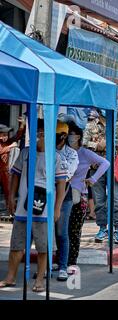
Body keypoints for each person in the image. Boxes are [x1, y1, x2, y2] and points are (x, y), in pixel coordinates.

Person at [0, 119, 67, 292]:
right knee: (17, 244)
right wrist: (11, 198)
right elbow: (15, 175)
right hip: (23, 207)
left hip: (44, 210)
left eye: (42, 135)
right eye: (37, 134)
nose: (38, 138)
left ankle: (39, 279)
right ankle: (10, 277)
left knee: (43, 246)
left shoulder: (56, 157)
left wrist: (57, 207)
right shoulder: (26, 153)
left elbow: (61, 184)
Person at [66, 124, 110, 267]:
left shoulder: (84, 153)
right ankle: (60, 261)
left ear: (78, 137)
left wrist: (93, 179)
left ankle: (71, 261)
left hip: (79, 195)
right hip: (62, 194)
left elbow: (105, 163)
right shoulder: (62, 151)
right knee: (60, 230)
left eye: (71, 134)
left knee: (74, 230)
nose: (69, 137)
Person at [55, 121, 79, 281]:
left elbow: (67, 177)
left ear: (63, 136)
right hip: (44, 195)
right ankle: (49, 263)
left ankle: (63, 266)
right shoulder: (45, 151)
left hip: (64, 197)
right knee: (46, 233)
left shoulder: (71, 154)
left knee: (61, 232)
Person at [82, 109, 108, 241]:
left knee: (117, 200)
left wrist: (109, 144)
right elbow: (84, 142)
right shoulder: (90, 126)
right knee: (99, 200)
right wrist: (98, 145)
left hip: (115, 167)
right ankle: (102, 228)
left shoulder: (117, 126)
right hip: (96, 168)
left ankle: (117, 227)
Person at [0, 119, 25, 214]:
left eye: (6, 134)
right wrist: (10, 147)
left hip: (5, 171)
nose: (5, 136)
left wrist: (22, 125)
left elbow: (17, 137)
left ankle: (10, 211)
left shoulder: (8, 141)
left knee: (9, 192)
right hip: (3, 171)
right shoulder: (7, 144)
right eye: (3, 134)